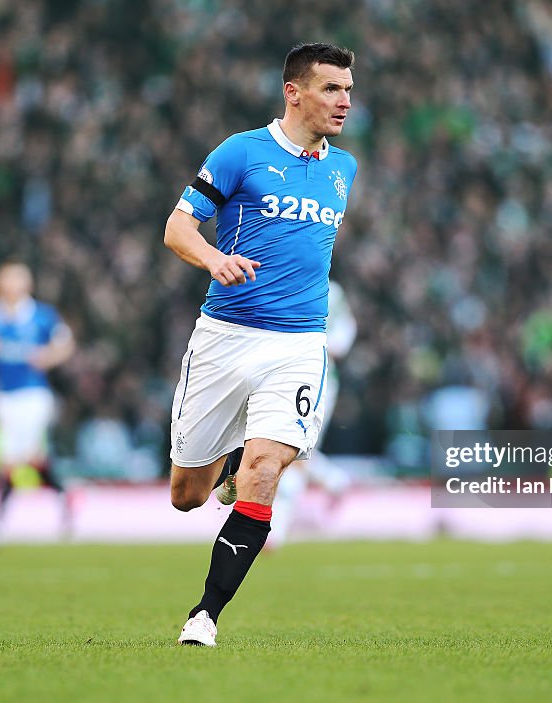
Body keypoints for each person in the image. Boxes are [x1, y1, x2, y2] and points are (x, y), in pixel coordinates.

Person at [164, 42, 358, 647]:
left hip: (299, 342)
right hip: (225, 337)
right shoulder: (241, 153)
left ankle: (205, 615)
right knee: (187, 496)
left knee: (267, 466)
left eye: (348, 90)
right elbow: (177, 228)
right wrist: (214, 258)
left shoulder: (343, 168)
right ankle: (219, 470)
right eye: (331, 88)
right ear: (293, 92)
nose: (344, 101)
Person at [0, 261, 76, 546]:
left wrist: (48, 356)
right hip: (3, 397)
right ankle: (64, 496)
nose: (12, 286)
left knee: (12, 461)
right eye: (7, 280)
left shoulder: (42, 316)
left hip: (34, 395)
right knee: (29, 460)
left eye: (17, 280)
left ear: (27, 285)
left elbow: (66, 345)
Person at [269, 280, 357, 548]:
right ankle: (335, 481)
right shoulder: (290, 280)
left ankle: (277, 529)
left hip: (318, 380)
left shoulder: (330, 291)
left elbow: (342, 339)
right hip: (288, 378)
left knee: (293, 447)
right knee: (288, 446)